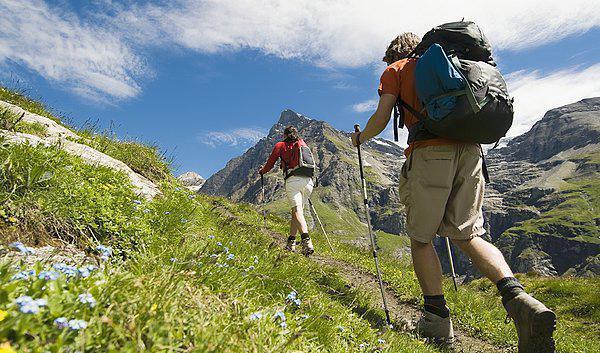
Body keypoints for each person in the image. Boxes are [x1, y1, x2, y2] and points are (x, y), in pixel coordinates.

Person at [351, 33, 556, 352]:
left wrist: (361, 137)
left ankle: (436, 322)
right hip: (472, 153)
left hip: (431, 153)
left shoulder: (397, 69)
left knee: (421, 240)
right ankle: (519, 299)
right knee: (469, 235)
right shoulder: (454, 65)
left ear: (394, 54)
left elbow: (381, 116)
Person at [259, 125, 315, 256]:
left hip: (293, 181)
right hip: (308, 182)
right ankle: (291, 243)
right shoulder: (301, 143)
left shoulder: (280, 145)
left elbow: (270, 163)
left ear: (284, 135)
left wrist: (262, 171)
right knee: (296, 212)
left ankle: (306, 242)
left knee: (297, 211)